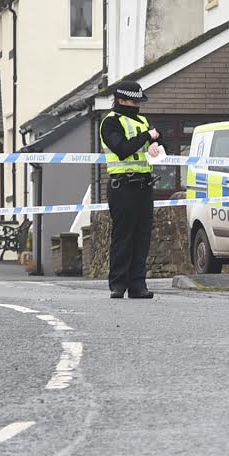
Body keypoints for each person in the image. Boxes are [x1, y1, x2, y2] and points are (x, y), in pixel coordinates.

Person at [100, 79, 162, 299]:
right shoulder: (110, 122)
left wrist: (156, 143)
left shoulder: (143, 121)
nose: (137, 106)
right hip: (122, 185)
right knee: (123, 236)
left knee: (142, 236)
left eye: (138, 102)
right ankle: (118, 284)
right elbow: (122, 149)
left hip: (144, 185)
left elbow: (156, 139)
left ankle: (138, 285)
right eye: (133, 102)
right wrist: (148, 137)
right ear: (120, 100)